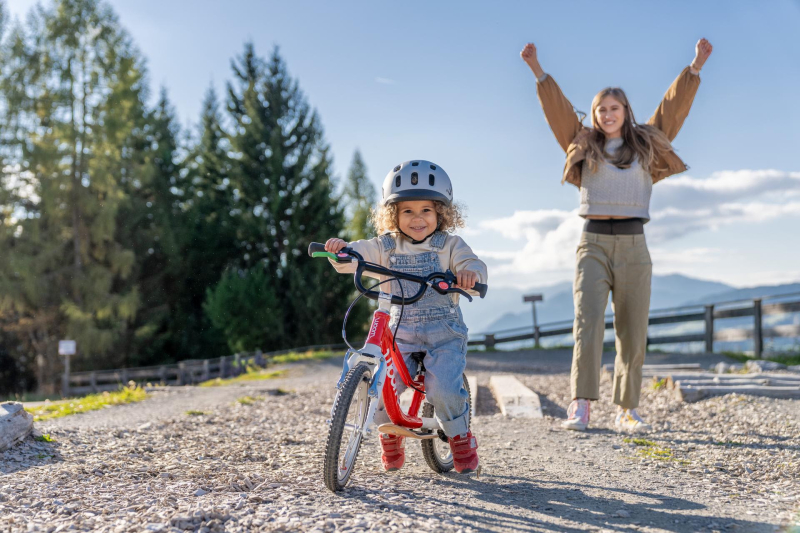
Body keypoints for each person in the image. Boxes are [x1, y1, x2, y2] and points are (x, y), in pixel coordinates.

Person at [520, 39, 713, 432]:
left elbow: (673, 109)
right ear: (593, 115)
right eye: (601, 109)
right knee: (587, 323)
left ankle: (627, 408)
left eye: (614, 108)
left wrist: (694, 68)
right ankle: (581, 405)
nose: (608, 114)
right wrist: (538, 71)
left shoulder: (646, 143)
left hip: (634, 244)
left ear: (626, 111)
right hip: (592, 243)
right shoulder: (583, 142)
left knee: (632, 328)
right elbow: (556, 111)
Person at [324, 160, 488, 473]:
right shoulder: (386, 245)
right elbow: (357, 255)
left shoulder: (449, 245)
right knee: (386, 381)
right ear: (393, 214)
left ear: (440, 212)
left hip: (444, 333)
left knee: (442, 390)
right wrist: (342, 250)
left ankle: (460, 437)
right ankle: (390, 435)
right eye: (407, 211)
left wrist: (468, 274)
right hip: (402, 332)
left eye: (426, 210)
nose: (417, 219)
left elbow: (473, 264)